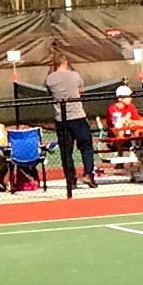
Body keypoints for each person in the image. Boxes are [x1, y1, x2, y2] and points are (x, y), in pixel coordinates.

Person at [44, 57, 99, 197]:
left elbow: (49, 92)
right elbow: (81, 91)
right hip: (78, 117)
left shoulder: (49, 79)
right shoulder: (75, 75)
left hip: (61, 119)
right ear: (66, 63)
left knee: (66, 151)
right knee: (86, 146)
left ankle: (71, 180)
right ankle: (88, 173)